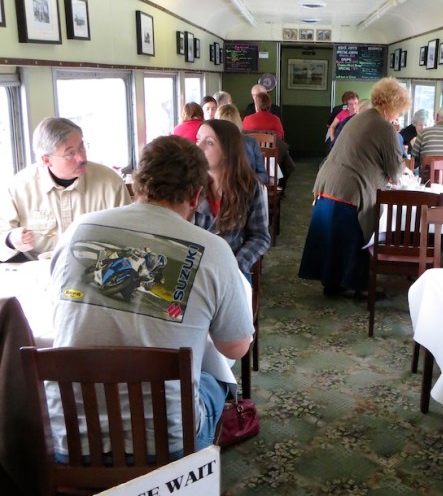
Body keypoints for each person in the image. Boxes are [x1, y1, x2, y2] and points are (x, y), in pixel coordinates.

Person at [49, 134, 254, 457]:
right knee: (214, 382)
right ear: (196, 195)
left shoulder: (78, 230)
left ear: (135, 185)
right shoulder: (213, 250)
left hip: (70, 439)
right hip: (166, 445)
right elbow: (236, 346)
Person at [298, 78, 408, 297]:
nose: (397, 117)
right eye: (398, 111)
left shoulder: (358, 118)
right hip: (350, 189)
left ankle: (332, 282)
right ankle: (359, 285)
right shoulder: (385, 127)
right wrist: (404, 166)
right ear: (393, 106)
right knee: (355, 236)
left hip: (327, 183)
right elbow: (395, 171)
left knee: (332, 237)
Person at [0, 117, 131, 262]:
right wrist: (10, 240)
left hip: (97, 267)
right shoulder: (19, 187)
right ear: (46, 160)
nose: (81, 158)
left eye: (81, 147)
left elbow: (130, 236)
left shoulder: (111, 183)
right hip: (37, 268)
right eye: (70, 153)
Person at [195, 119, 270, 280]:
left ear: (228, 151)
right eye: (198, 139)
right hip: (193, 269)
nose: (198, 147)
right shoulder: (189, 183)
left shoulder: (249, 186)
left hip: (233, 267)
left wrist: (236, 266)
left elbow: (260, 236)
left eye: (209, 143)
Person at [216, 102, 267, 184]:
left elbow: (263, 175)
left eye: (231, 125)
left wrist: (250, 182)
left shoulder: (251, 143)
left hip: (246, 187)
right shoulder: (212, 145)